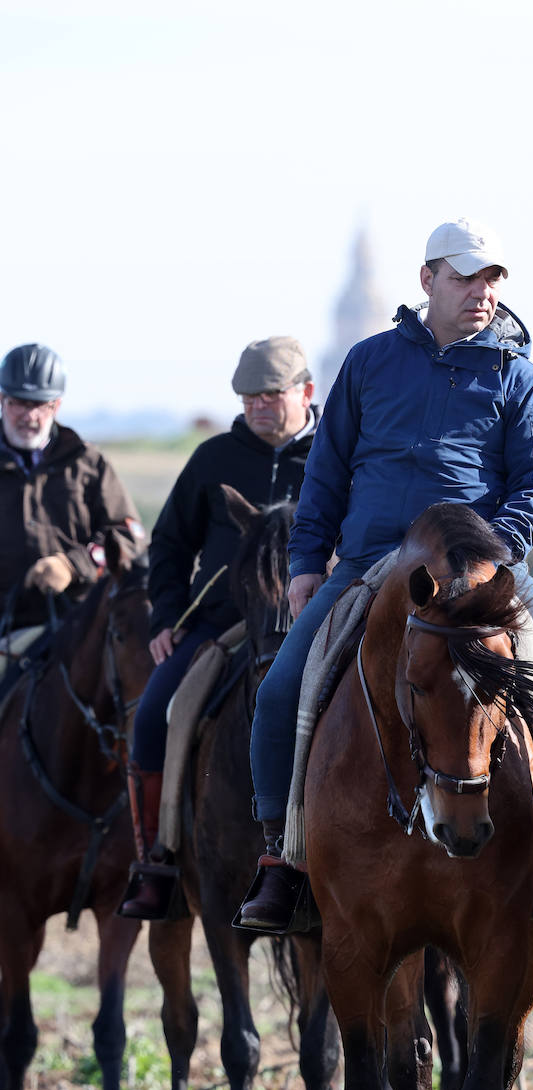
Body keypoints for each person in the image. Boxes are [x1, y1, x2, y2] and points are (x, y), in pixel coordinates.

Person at [240, 217, 533, 933]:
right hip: (368, 562)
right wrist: (308, 563)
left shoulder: (519, 380)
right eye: (466, 277)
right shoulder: (369, 363)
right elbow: (327, 472)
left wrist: (490, 556)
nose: (482, 291)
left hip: (484, 571)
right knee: (284, 686)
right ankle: (281, 862)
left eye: (492, 279)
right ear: (427, 280)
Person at [119, 336, 318, 918]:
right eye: (248, 396)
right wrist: (165, 616)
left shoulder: (339, 454)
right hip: (224, 627)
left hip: (319, 624)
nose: (257, 406)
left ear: (305, 391)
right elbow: (169, 544)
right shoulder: (212, 459)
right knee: (159, 712)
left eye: (271, 395)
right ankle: (158, 859)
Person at [0, 342, 145, 635]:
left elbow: (129, 537)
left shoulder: (88, 463)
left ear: (57, 406)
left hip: (80, 628)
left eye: (41, 405)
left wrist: (73, 565)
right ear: (2, 399)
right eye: (19, 403)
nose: (30, 416)